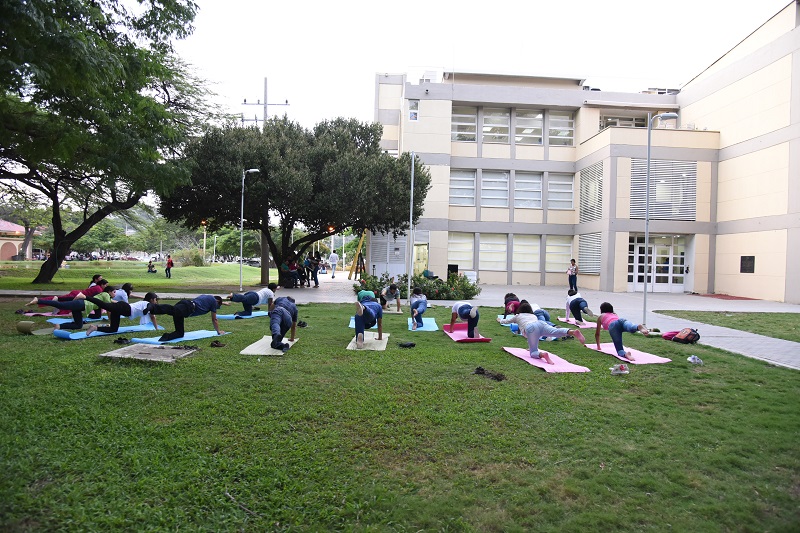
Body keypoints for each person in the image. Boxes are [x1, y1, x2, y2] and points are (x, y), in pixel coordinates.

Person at [499, 302, 586, 364]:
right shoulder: (533, 315)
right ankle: (572, 332)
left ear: (520, 310)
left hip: (531, 328)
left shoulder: (518, 316)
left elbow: (506, 321)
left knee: (533, 353)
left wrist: (500, 320)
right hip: (540, 323)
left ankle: (543, 355)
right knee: (555, 332)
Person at [146, 294, 227, 342]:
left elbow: (216, 302)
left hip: (185, 305)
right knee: (172, 310)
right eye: (217, 306)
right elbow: (214, 319)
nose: (215, 308)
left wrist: (224, 303)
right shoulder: (213, 301)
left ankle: (165, 337)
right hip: (188, 307)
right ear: (217, 302)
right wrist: (218, 331)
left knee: (180, 333)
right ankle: (153, 307)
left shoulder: (208, 297)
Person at [29, 285, 115, 330]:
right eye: (114, 292)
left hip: (80, 307)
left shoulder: (104, 295)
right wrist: (112, 322)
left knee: (78, 325)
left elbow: (111, 302)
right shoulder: (106, 295)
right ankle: (38, 300)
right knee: (61, 305)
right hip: (81, 304)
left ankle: (59, 326)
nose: (115, 294)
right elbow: (108, 309)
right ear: (109, 292)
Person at [85, 292, 160, 336]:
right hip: (124, 308)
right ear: (151, 300)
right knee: (104, 305)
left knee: (113, 329)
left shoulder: (144, 303)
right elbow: (153, 317)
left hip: (122, 309)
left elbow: (152, 316)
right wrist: (157, 328)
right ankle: (85, 297)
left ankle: (94, 328)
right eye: (155, 300)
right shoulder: (147, 304)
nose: (156, 302)